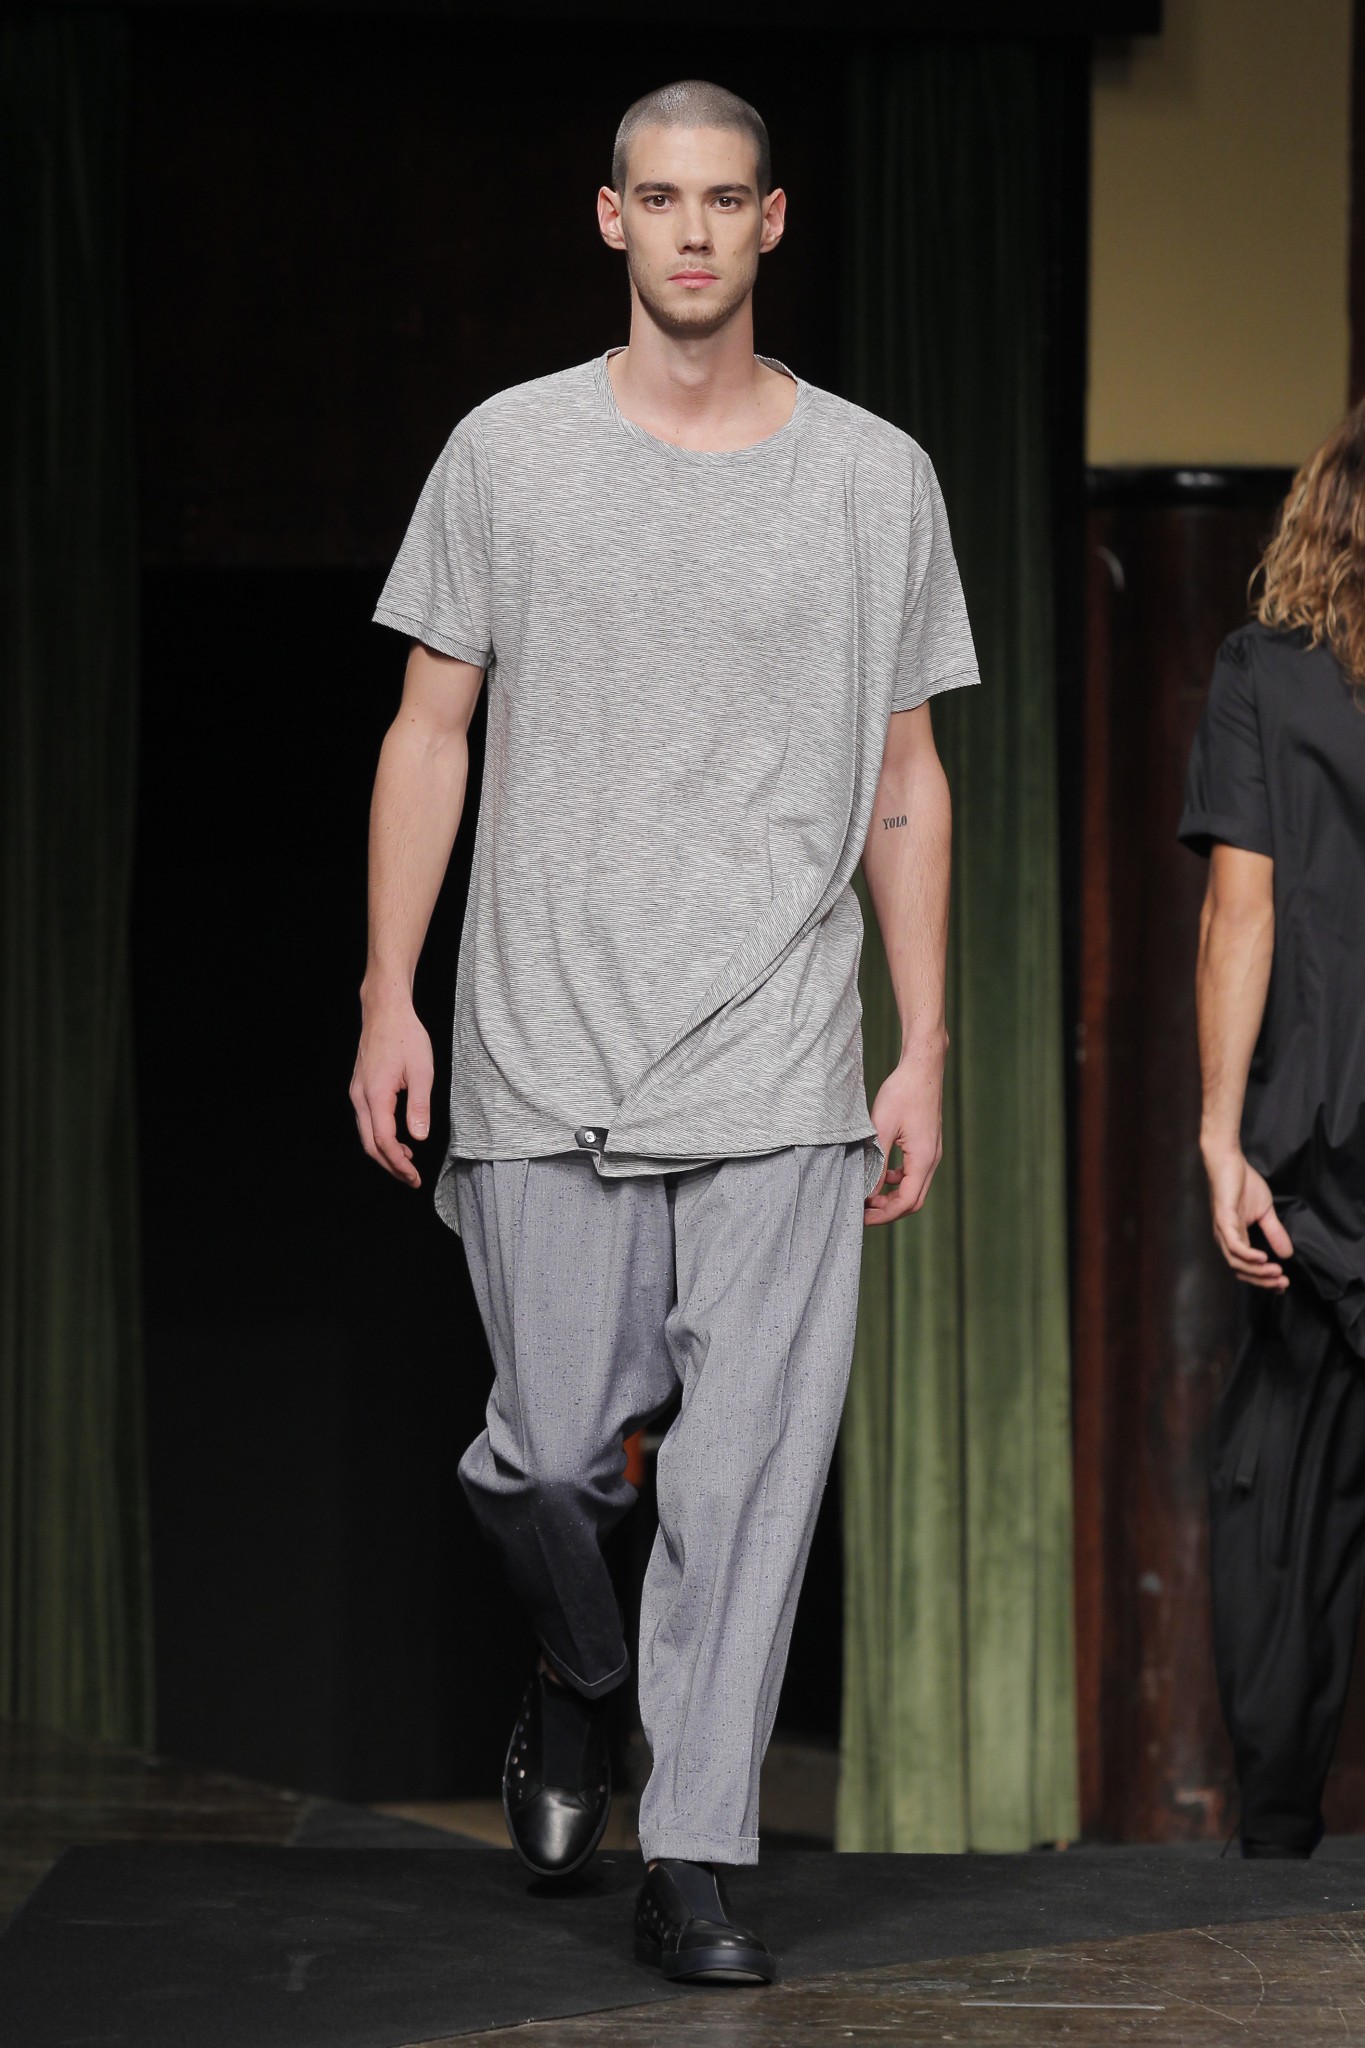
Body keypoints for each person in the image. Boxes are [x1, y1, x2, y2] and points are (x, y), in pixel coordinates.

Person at [352, 78, 979, 1979]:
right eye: (660, 198)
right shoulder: (507, 454)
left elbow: (905, 779)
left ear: (771, 221)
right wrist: (386, 992)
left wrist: (920, 1043)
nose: (692, 231)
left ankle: (693, 1853)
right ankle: (577, 1668)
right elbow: (429, 732)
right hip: (543, 1036)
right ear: (609, 216)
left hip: (779, 1052)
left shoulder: (873, 477)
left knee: (744, 1482)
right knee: (553, 1456)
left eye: (724, 200)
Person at [1180, 400, 1365, 1859]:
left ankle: (1279, 1820)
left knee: (1288, 1489)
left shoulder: (1268, 671)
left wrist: (1218, 1132)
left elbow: (1236, 916)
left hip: (1316, 1130)